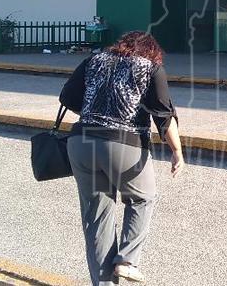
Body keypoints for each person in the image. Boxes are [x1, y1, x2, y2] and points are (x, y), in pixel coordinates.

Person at [59, 31, 184, 285]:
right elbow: (163, 115)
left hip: (81, 143)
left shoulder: (93, 60)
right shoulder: (150, 68)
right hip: (123, 143)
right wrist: (177, 151)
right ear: (152, 51)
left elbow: (67, 98)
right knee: (143, 198)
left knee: (97, 219)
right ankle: (127, 261)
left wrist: (95, 112)